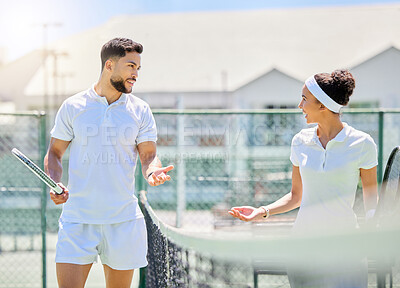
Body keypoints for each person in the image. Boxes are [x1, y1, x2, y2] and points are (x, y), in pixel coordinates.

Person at [229, 69, 378, 287]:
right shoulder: (300, 141)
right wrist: (261, 211)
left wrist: (371, 229)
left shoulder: (362, 144)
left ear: (322, 105)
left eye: (304, 99)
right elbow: (296, 195)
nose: (300, 106)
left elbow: (371, 195)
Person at [45, 38, 173, 288]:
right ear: (109, 66)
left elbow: (148, 156)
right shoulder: (73, 107)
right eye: (130, 66)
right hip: (77, 220)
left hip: (123, 221)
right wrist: (55, 183)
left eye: (138, 68)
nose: (135, 74)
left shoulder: (141, 110)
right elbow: (55, 153)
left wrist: (153, 171)